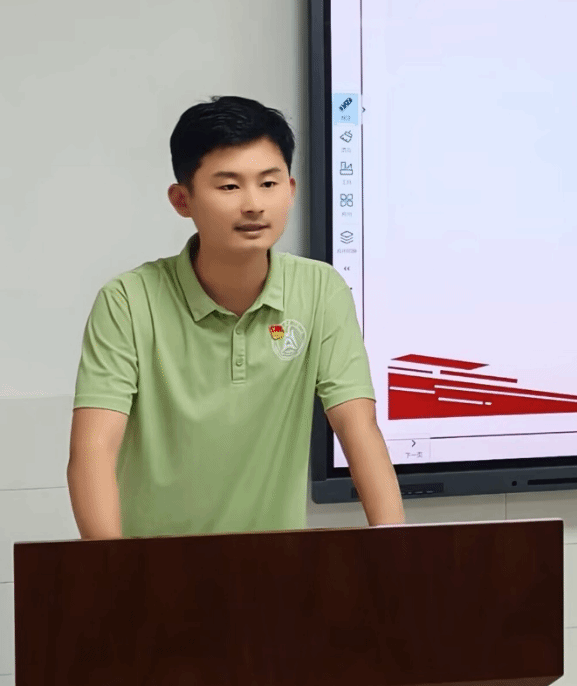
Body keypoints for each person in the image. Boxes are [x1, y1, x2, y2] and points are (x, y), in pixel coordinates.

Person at [67, 96, 404, 538]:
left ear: (290, 189)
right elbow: (92, 451)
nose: (253, 204)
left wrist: (397, 553)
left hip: (276, 565)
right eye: (229, 187)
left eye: (268, 183)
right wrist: (112, 569)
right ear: (182, 199)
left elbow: (358, 429)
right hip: (150, 566)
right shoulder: (128, 302)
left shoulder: (320, 291)